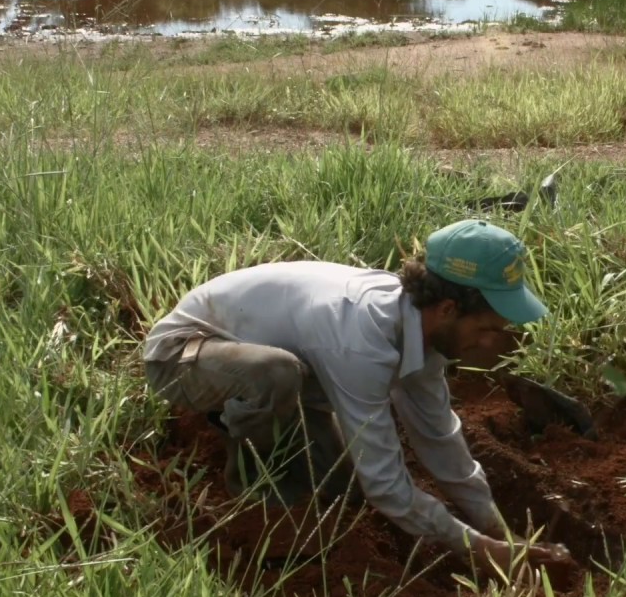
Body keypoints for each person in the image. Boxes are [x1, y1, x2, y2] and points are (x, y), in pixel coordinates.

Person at [142, 219, 566, 571]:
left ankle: (264, 433)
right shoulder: (362, 337)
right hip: (182, 355)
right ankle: (259, 508)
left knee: (348, 492)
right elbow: (388, 485)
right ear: (449, 310)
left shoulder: (424, 333)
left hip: (288, 373)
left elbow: (440, 439)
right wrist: (479, 550)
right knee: (274, 376)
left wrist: (497, 530)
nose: (491, 344)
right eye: (487, 328)